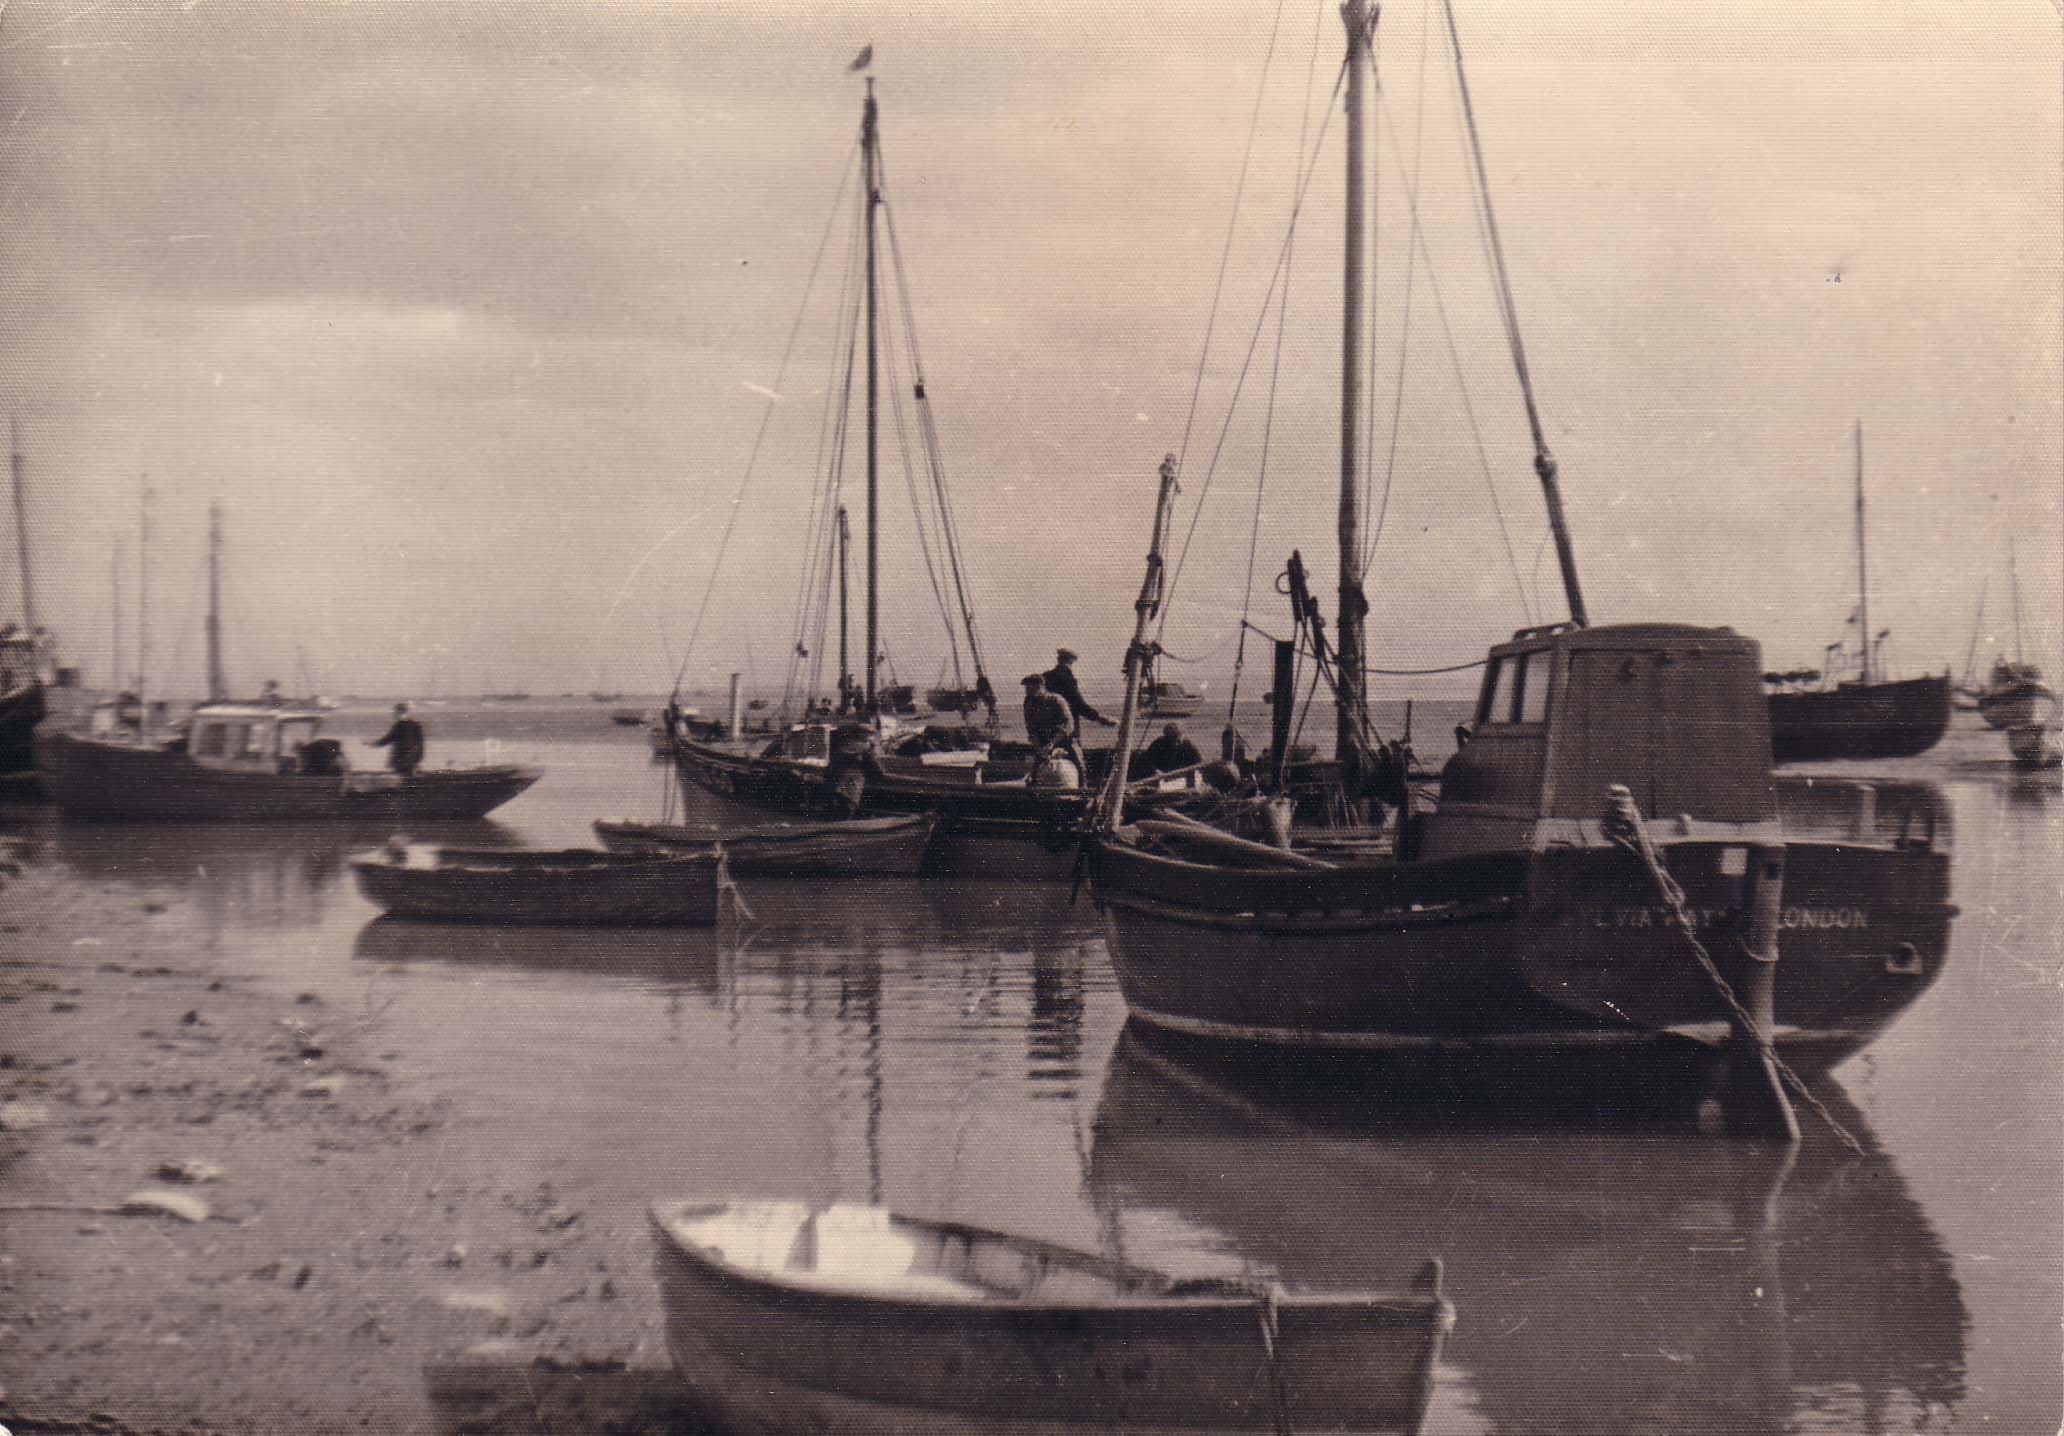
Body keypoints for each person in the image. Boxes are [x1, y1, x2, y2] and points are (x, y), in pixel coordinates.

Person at [1042, 648, 1113, 729]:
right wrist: (1099, 718)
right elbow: (1077, 703)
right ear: (1072, 661)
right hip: (1065, 725)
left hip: (1045, 726)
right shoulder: (1067, 677)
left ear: (1058, 659)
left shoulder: (1045, 676)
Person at [367, 701, 426, 777]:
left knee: (403, 779)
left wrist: (374, 744)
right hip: (405, 760)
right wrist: (373, 743)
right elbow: (387, 739)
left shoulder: (406, 725)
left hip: (405, 760)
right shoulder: (407, 725)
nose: (394, 715)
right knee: (405, 779)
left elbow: (387, 739)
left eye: (395, 712)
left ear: (401, 712)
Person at [1022, 672, 1073, 749]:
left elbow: (1068, 725)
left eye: (1031, 688)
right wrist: (1036, 743)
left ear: (1041, 687)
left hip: (1063, 743)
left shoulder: (1056, 700)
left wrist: (1052, 743)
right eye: (1027, 688)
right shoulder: (1029, 703)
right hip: (1043, 744)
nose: (1027, 691)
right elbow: (1030, 726)